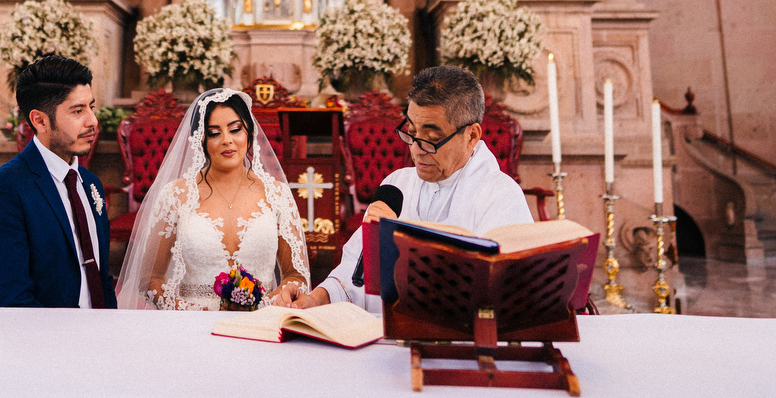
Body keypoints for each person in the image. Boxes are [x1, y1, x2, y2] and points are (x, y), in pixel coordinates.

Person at [281, 65, 532, 312]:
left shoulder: (500, 197)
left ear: (472, 136)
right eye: (411, 133)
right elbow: (354, 269)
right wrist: (317, 299)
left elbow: (502, 295)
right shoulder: (397, 185)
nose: (416, 149)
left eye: (432, 140)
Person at [116, 88, 310, 310]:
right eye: (214, 133)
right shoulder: (176, 196)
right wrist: (193, 311)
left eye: (235, 129)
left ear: (250, 132)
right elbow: (149, 280)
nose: (227, 140)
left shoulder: (277, 195)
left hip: (260, 320)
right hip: (193, 323)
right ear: (200, 139)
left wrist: (268, 305)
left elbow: (296, 275)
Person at [0, 54, 117, 307]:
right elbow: (9, 300)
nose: (92, 121)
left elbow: (102, 279)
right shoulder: (5, 188)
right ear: (40, 120)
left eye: (91, 107)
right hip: (43, 332)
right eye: (78, 111)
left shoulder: (90, 183)